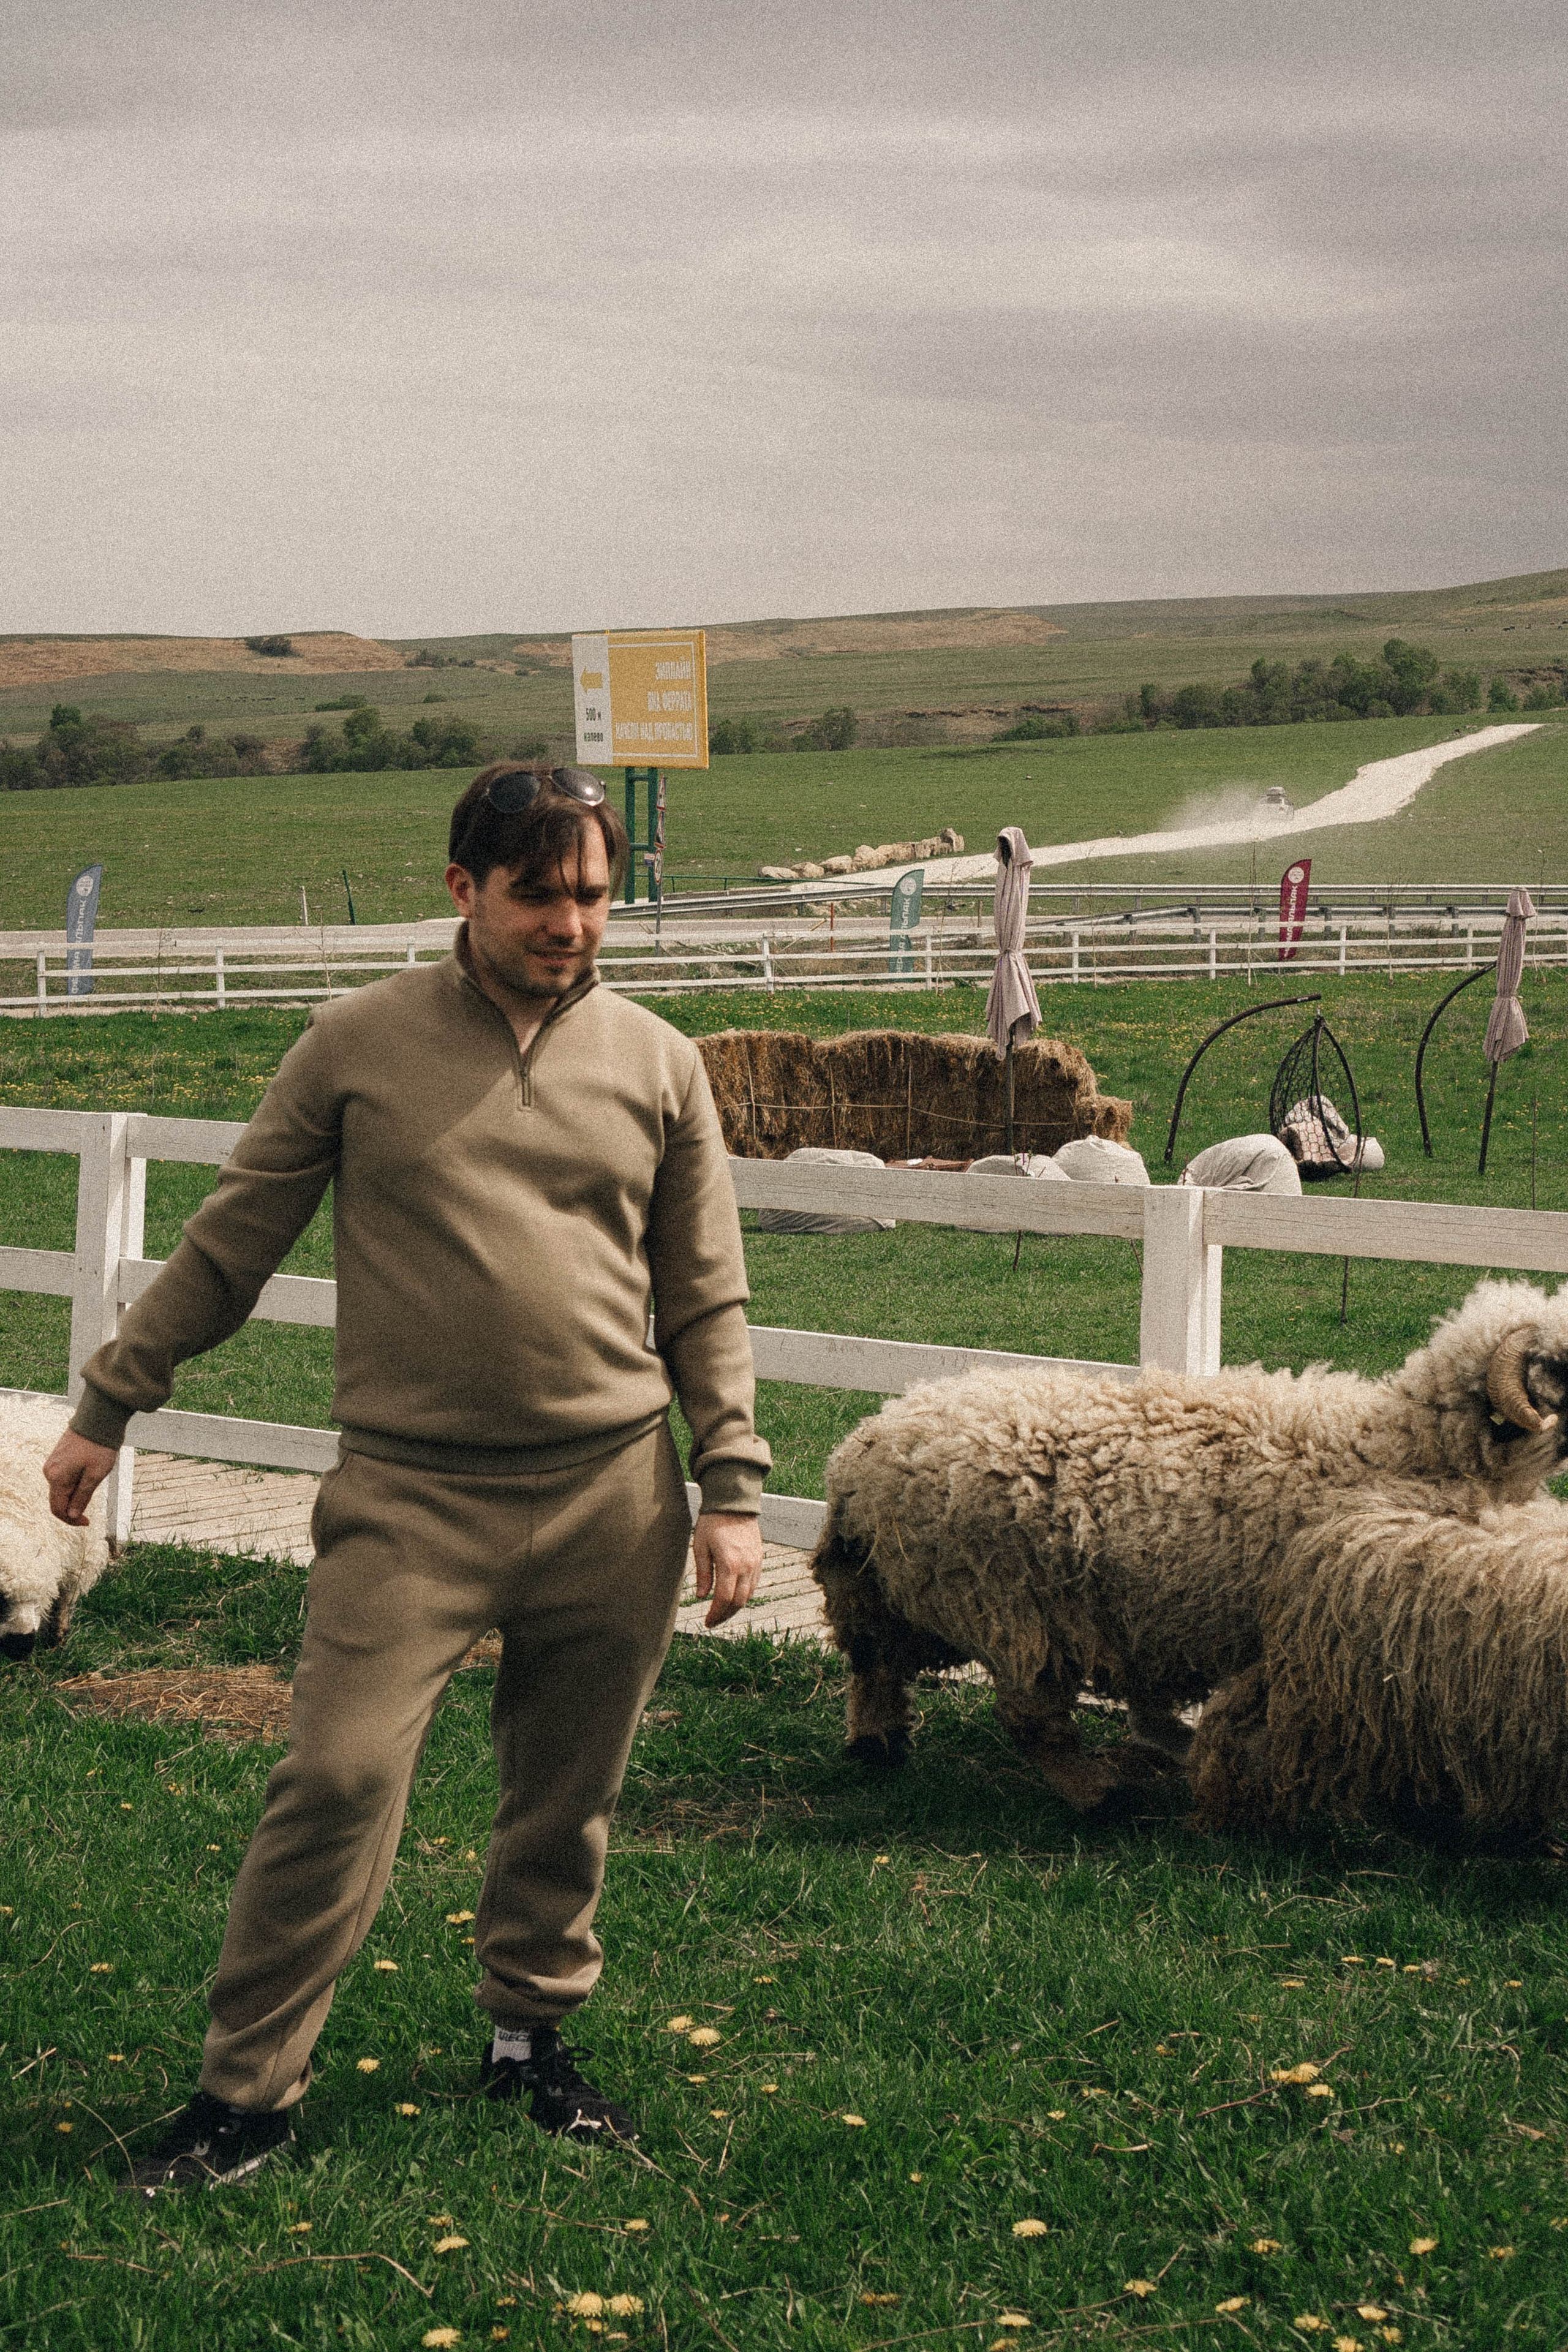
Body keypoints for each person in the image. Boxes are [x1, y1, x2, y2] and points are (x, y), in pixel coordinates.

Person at [43, 764, 770, 2196]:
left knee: (566, 1796)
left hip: (612, 1498)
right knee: (337, 1777)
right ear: (464, 889)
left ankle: (528, 2041)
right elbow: (229, 1244)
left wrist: (729, 1486)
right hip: (409, 1501)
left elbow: (704, 1293)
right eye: (538, 893)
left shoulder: (656, 1061)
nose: (571, 923)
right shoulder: (354, 1043)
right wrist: (112, 1402)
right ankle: (243, 2099)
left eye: (594, 895)